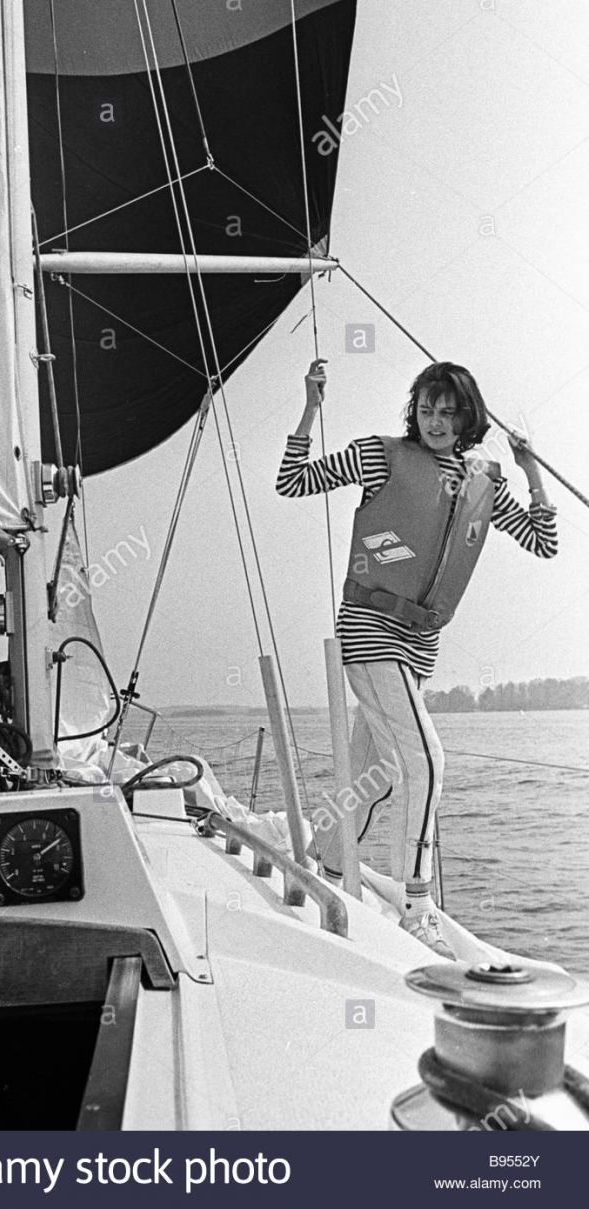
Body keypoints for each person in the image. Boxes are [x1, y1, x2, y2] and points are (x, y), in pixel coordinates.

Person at [276, 358, 558, 958]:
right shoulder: (380, 456)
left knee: (373, 776)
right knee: (426, 761)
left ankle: (323, 869)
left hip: (418, 645)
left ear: (467, 418)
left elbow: (543, 541)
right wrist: (310, 409)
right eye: (426, 409)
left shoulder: (482, 485)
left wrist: (531, 471)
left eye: (448, 412)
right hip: (368, 628)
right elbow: (292, 481)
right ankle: (418, 908)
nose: (435, 422)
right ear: (415, 412)